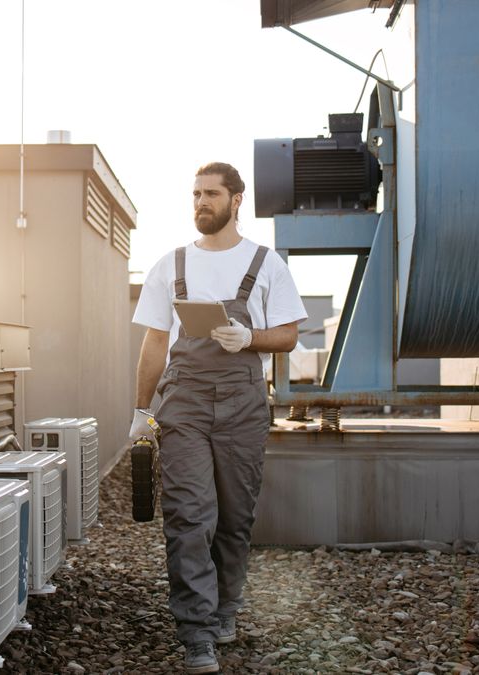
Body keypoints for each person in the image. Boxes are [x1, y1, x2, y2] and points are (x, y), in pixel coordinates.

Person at [129, 162, 306, 673]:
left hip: (243, 403)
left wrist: (249, 338)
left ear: (236, 200)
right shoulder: (172, 264)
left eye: (211, 193)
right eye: (195, 194)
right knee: (189, 516)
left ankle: (226, 607)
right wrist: (141, 410)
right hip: (183, 402)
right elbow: (155, 341)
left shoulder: (266, 263)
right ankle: (197, 632)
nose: (201, 202)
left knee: (234, 517)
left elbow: (289, 335)